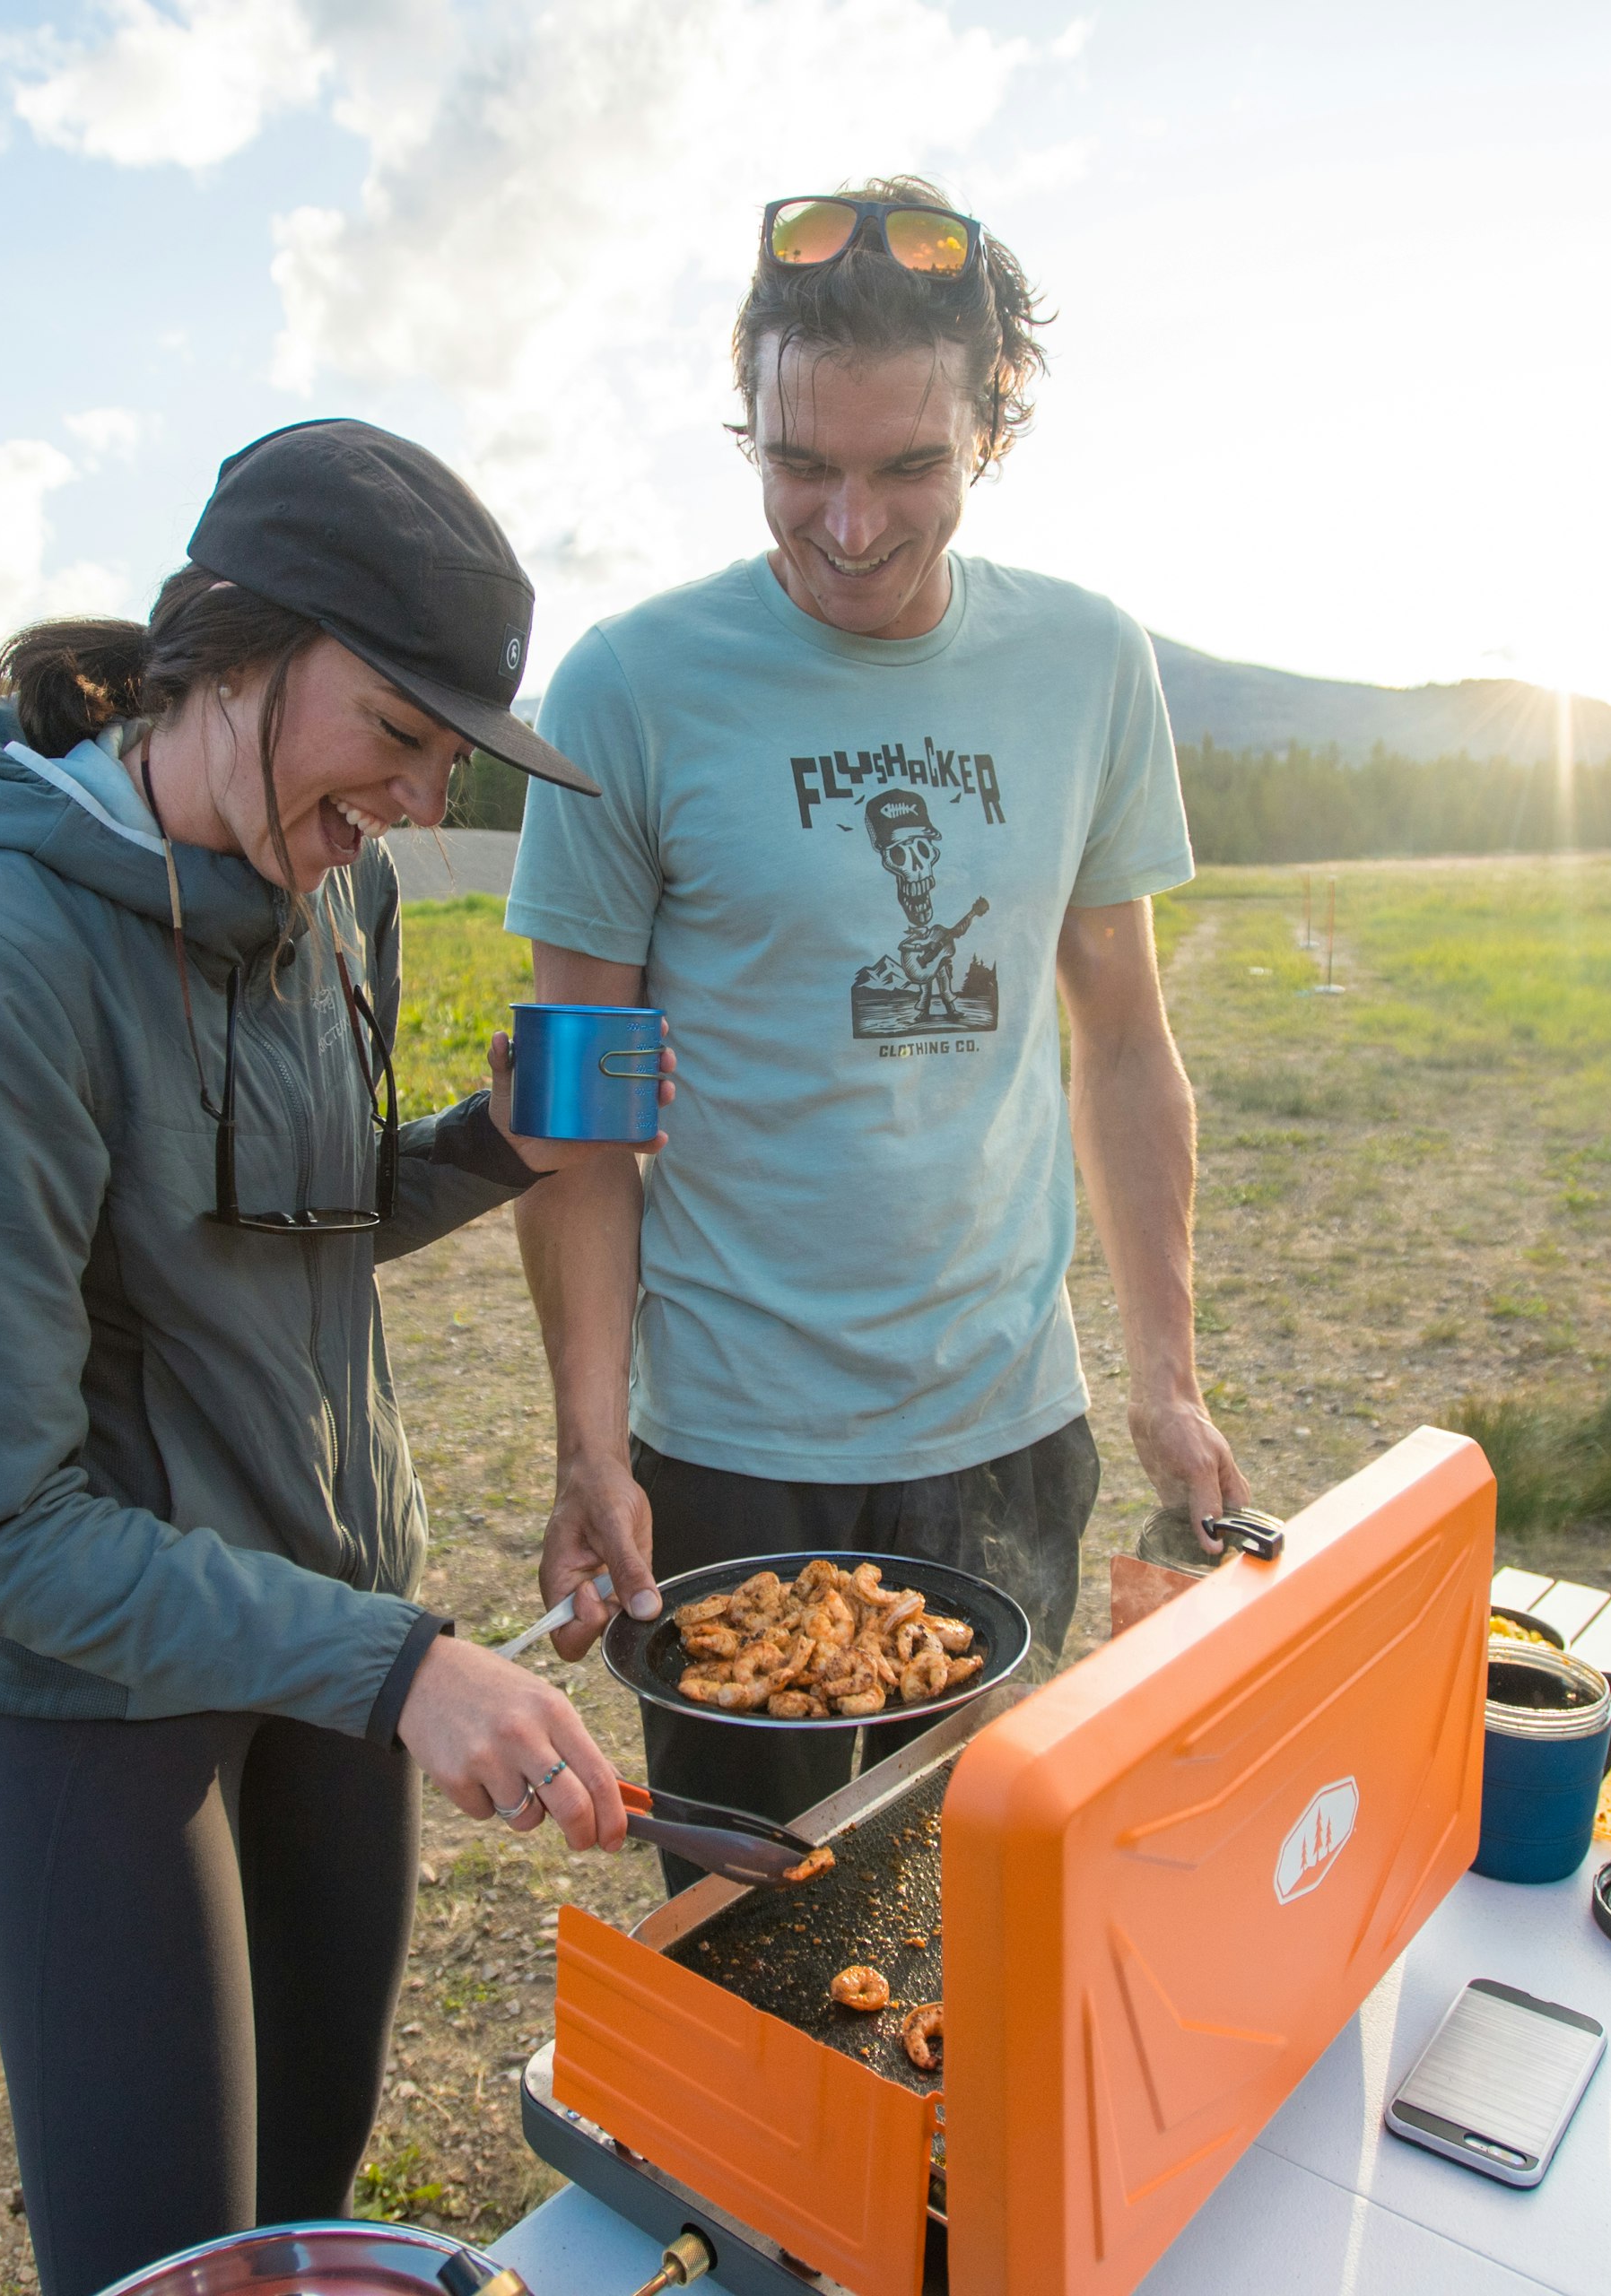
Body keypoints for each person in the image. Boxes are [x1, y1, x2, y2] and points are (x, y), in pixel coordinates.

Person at [0, 420, 657, 2296]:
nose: (415, 793)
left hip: (334, 1663)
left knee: (299, 2214)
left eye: (451, 754)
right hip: (102, 1722)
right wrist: (402, 1664)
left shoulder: (333, 893)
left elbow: (289, 1221)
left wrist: (496, 1139)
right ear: (235, 650)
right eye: (396, 727)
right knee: (173, 2266)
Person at [507, 180, 1250, 1871]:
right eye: (798, 467)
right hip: (729, 1451)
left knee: (997, 1901)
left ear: (994, 424)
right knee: (756, 1928)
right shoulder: (632, 686)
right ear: (746, 422)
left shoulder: (1086, 665)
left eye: (907, 468)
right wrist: (587, 1446)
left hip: (1003, 1423)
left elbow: (1123, 1039)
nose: (846, 524)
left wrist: (1167, 1377)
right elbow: (579, 1101)